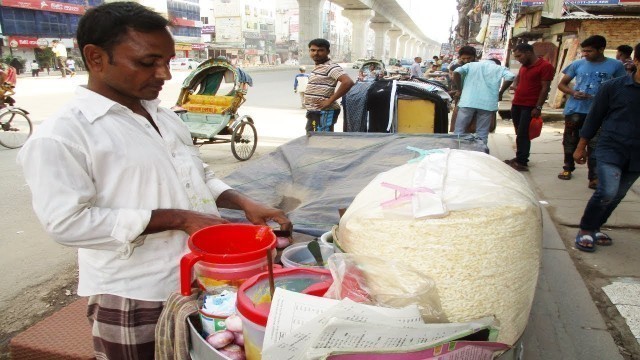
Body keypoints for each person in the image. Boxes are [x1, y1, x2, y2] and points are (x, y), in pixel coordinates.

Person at [16, 2, 290, 359]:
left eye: (168, 61)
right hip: (134, 296)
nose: (164, 74)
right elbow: (67, 224)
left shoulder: (163, 117)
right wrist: (180, 218)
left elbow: (196, 174)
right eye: (148, 63)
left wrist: (243, 203)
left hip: (197, 282)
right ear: (96, 58)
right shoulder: (63, 136)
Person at [572, 42, 640, 252]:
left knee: (618, 194)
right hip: (611, 147)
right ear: (636, 61)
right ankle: (585, 229)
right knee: (607, 191)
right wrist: (581, 146)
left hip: (637, 154)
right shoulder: (614, 87)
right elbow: (594, 118)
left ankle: (595, 227)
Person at [557, 35, 626, 189]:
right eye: (584, 51)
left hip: (600, 112)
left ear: (601, 49)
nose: (585, 54)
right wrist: (573, 93)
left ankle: (594, 176)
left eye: (589, 51)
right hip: (575, 110)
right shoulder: (577, 64)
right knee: (570, 140)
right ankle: (567, 168)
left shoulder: (615, 66)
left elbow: (622, 87)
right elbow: (562, 84)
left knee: (596, 144)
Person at [504, 43, 555, 172]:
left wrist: (538, 107)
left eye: (519, 56)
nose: (518, 59)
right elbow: (518, 78)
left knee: (523, 134)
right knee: (519, 132)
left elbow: (545, 88)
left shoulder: (545, 66)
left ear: (528, 52)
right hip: (517, 104)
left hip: (530, 105)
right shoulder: (524, 66)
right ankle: (519, 157)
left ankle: (522, 161)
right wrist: (515, 86)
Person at [453, 57, 514, 145]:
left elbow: (456, 72)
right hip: (487, 103)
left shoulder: (471, 65)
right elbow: (511, 76)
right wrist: (500, 93)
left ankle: (457, 150)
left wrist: (459, 89)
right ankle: (480, 153)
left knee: (459, 130)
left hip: (468, 101)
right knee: (482, 132)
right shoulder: (499, 68)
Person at [304, 38, 354, 132]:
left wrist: (329, 101)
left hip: (323, 112)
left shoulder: (330, 67)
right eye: (313, 50)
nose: (316, 53)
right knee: (313, 138)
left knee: (321, 140)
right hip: (315, 112)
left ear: (328, 51)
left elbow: (348, 82)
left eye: (320, 50)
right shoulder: (319, 66)